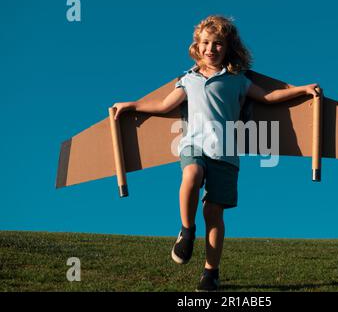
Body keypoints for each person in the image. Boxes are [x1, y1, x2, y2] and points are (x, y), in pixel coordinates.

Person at [113, 15, 321, 291]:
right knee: (192, 174)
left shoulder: (237, 80)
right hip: (193, 145)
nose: (211, 49)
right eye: (206, 43)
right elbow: (164, 106)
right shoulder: (187, 80)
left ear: (227, 48)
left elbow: (268, 97)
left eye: (218, 44)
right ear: (197, 47)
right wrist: (132, 105)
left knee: (213, 212)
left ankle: (210, 273)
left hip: (225, 153)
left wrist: (301, 89)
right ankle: (187, 232)